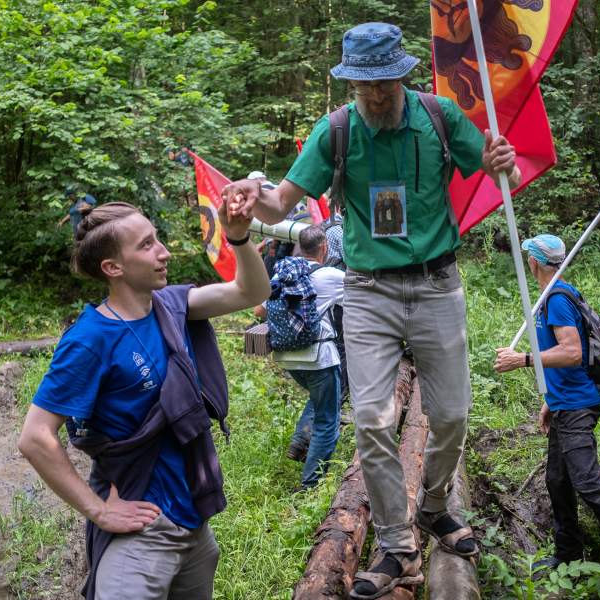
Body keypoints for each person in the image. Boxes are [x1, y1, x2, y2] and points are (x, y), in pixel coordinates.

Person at [224, 22, 521, 598]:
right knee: (372, 421)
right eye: (365, 86)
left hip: (437, 284)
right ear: (350, 82)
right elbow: (279, 201)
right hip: (367, 291)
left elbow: (495, 168)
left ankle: (435, 505)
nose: (377, 95)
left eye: (385, 83)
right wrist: (248, 194)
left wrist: (500, 161)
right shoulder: (335, 131)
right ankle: (395, 545)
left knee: (452, 413)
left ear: (403, 75)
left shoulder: (438, 117)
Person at [18, 200, 270, 599]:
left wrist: (237, 236)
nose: (163, 251)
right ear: (113, 268)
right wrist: (98, 511)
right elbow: (35, 437)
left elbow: (251, 291)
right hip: (142, 529)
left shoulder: (171, 306)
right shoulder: (89, 340)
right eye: (147, 244)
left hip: (193, 521)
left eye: (157, 240)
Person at [493, 234, 600, 596]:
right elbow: (572, 357)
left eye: (529, 257)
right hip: (564, 403)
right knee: (557, 480)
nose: (528, 261)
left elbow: (572, 352)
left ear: (535, 263)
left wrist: (521, 360)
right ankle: (568, 552)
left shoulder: (556, 298)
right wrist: (549, 401)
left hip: (577, 407)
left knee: (587, 483)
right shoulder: (555, 293)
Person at [257, 226, 345, 489]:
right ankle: (310, 484)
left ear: (299, 247)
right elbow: (365, 301)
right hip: (319, 356)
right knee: (328, 420)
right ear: (324, 248)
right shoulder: (331, 275)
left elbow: (259, 311)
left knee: (320, 401)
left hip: (287, 357)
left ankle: (300, 441)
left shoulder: (282, 272)